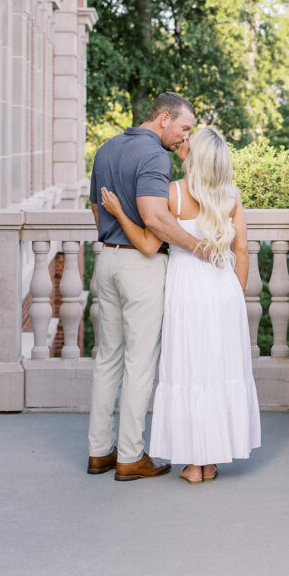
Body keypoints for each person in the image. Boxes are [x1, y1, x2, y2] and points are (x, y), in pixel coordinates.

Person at [100, 126, 261, 484]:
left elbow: (146, 242)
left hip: (186, 290)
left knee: (188, 372)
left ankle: (193, 464)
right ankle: (211, 459)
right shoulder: (231, 196)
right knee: (218, 373)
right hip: (224, 290)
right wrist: (234, 294)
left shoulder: (172, 193)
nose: (183, 142)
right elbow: (242, 251)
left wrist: (118, 212)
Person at [87, 91, 209, 482]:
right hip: (141, 266)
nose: (183, 139)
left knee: (107, 359)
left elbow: (95, 208)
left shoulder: (105, 149)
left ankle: (98, 452)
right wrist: (197, 247)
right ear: (164, 119)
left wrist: (114, 238)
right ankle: (130, 457)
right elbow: (155, 218)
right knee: (139, 363)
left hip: (106, 259)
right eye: (184, 128)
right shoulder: (155, 155)